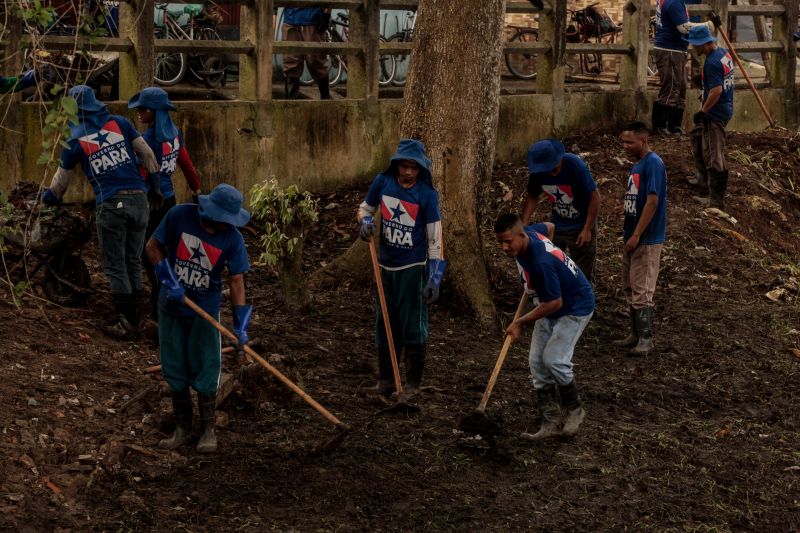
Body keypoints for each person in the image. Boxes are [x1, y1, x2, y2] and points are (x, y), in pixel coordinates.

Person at [40, 85, 162, 339]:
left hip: (111, 204)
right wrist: (155, 188)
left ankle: (126, 323)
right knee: (132, 261)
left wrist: (47, 199)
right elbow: (148, 155)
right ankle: (135, 320)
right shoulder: (120, 123)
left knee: (115, 264)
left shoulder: (74, 139)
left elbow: (60, 185)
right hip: (140, 200)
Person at [144, 184, 252, 453]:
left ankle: (207, 430)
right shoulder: (179, 216)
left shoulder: (233, 239)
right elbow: (152, 247)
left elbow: (237, 282)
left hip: (205, 310)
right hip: (171, 307)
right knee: (174, 366)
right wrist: (169, 280)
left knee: (207, 367)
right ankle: (182, 428)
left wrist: (241, 326)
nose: (225, 225)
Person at [357, 139, 446, 398]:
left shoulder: (427, 195)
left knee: (413, 324)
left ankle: (412, 385)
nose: (407, 172)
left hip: (413, 268)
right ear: (396, 165)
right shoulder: (382, 183)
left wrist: (435, 277)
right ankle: (385, 380)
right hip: (384, 265)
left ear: (421, 170)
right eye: (404, 166)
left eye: (414, 168)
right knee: (384, 321)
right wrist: (365, 223)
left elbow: (435, 237)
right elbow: (365, 208)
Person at [495, 213, 595, 441]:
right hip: (548, 301)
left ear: (521, 235)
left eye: (508, 242)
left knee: (554, 360)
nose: (503, 247)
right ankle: (549, 421)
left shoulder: (541, 263)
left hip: (574, 307)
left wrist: (520, 322)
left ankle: (575, 410)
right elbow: (550, 227)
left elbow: (555, 303)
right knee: (537, 363)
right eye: (500, 242)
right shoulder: (530, 233)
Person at [128, 87, 202, 318]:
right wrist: (197, 188)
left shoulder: (148, 139)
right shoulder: (174, 134)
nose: (138, 112)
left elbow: (141, 173)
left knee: (148, 252)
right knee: (167, 249)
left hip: (151, 202)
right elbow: (187, 163)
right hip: (169, 201)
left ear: (157, 112)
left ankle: (157, 303)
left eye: (143, 108)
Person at [614, 122, 668, 356]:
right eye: (623, 142)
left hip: (646, 238)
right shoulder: (637, 166)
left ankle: (645, 339)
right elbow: (639, 198)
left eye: (629, 142)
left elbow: (653, 201)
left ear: (643, 140)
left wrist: (637, 234)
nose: (625, 146)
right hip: (632, 234)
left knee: (642, 287)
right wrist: (625, 209)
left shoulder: (653, 163)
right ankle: (634, 333)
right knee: (630, 285)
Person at [522, 139, 600, 284]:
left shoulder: (575, 165)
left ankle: (585, 302)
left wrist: (587, 229)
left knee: (583, 270)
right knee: (551, 262)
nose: (551, 172)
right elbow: (532, 196)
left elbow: (594, 197)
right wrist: (524, 223)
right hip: (558, 223)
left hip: (581, 224)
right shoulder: (538, 173)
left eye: (554, 168)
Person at [652, 0, 720, 134]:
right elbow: (683, 27)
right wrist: (709, 25)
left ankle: (674, 124)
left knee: (681, 86)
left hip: (676, 48)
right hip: (669, 49)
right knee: (671, 86)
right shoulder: (673, 2)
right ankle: (661, 125)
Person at [687, 25, 734, 210]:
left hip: (716, 113)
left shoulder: (712, 62)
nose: (694, 49)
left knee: (715, 155)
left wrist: (703, 111)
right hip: (722, 107)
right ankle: (702, 180)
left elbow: (716, 90)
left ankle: (716, 200)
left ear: (705, 44)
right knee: (696, 136)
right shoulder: (723, 53)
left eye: (696, 46)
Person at [281, 7, 332, 100]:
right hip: (291, 19)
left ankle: (326, 98)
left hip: (314, 19)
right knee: (290, 61)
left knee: (315, 61)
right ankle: (291, 104)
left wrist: (327, 14)